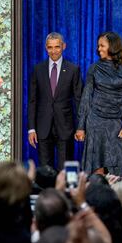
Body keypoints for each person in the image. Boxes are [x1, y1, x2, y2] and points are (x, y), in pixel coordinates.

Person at [75, 31, 122, 176]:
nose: (99, 49)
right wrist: (81, 127)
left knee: (118, 170)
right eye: (98, 46)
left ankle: (118, 196)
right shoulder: (94, 68)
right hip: (95, 121)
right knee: (97, 166)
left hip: (117, 123)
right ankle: (98, 193)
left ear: (112, 46)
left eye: (102, 46)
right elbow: (86, 97)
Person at [28, 32, 83, 171]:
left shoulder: (73, 69)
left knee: (66, 169)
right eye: (50, 47)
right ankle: (47, 193)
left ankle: (68, 193)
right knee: (45, 171)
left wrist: (81, 126)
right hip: (43, 127)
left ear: (63, 46)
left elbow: (79, 100)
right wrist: (31, 128)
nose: (53, 51)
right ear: (46, 48)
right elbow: (32, 100)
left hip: (65, 127)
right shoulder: (37, 69)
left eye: (57, 47)